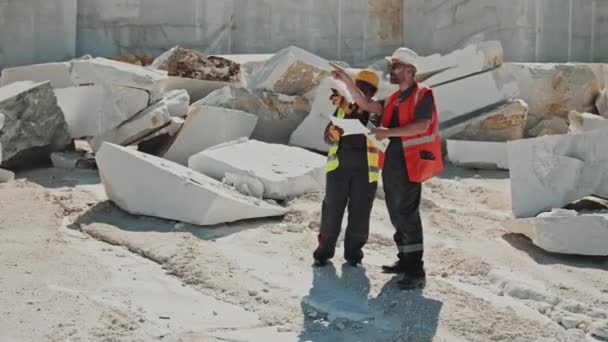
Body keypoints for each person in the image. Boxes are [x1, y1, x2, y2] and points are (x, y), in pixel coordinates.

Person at [329, 48, 444, 290]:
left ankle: (415, 270)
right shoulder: (393, 99)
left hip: (412, 162)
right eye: (392, 66)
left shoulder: (423, 94)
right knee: (395, 211)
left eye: (397, 66)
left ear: (410, 70)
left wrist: (387, 132)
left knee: (408, 213)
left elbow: (422, 125)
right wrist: (346, 80)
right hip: (392, 163)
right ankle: (404, 260)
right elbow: (363, 103)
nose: (391, 71)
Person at [313, 69, 381, 268]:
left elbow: (372, 128)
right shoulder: (343, 108)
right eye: (358, 87)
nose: (361, 91)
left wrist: (351, 109)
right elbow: (327, 136)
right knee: (332, 210)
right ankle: (323, 253)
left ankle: (354, 255)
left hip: (365, 170)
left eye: (365, 89)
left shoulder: (377, 108)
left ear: (372, 92)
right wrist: (332, 133)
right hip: (339, 168)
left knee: (360, 214)